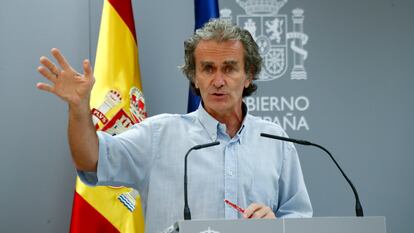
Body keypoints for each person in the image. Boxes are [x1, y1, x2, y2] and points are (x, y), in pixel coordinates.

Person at [37, 19, 312, 233]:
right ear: (194, 77)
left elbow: (299, 217)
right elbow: (90, 160)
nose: (218, 80)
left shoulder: (275, 140)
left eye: (229, 68)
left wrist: (276, 223)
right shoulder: (158, 135)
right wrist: (78, 106)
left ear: (249, 75)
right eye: (207, 69)